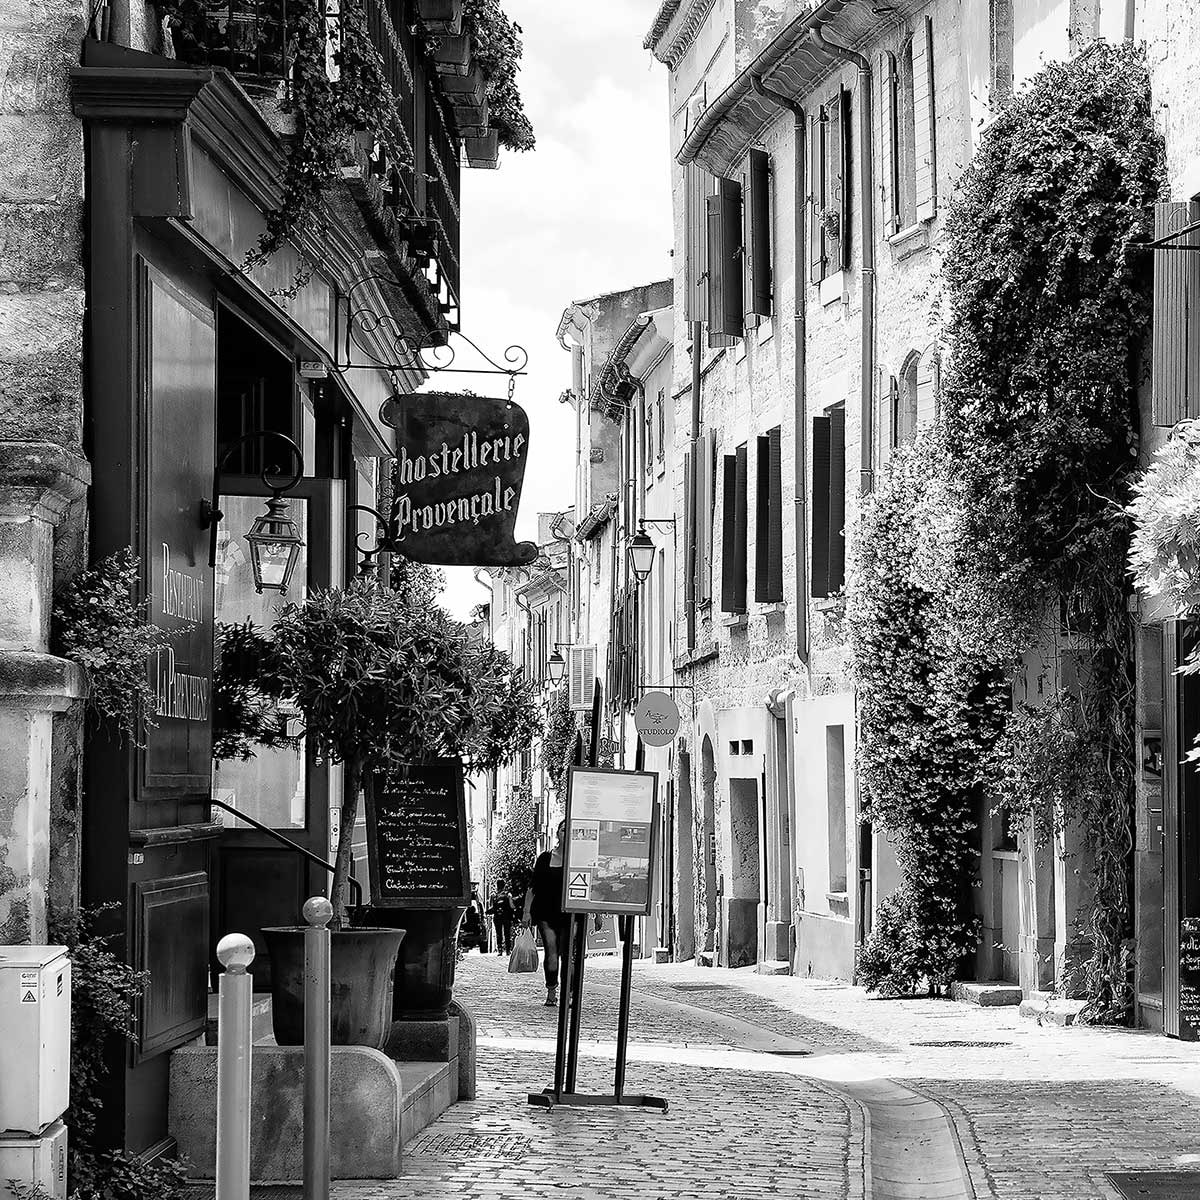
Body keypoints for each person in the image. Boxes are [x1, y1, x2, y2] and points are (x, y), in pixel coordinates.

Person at [522, 822, 602, 1007]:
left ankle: (571, 993)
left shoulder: (581, 859)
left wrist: (598, 913)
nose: (567, 833)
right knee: (551, 952)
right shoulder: (545, 858)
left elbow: (592, 887)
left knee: (569, 954)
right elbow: (533, 887)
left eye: (571, 830)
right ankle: (551, 991)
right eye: (564, 829)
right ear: (558, 833)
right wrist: (526, 912)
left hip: (572, 913)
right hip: (546, 913)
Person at [490, 882, 514, 956]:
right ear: (504, 886)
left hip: (497, 917)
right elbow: (512, 906)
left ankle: (500, 950)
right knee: (507, 934)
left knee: (499, 933)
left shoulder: (494, 895)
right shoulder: (508, 895)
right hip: (507, 917)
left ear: (497, 886)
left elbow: (491, 907)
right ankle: (508, 950)